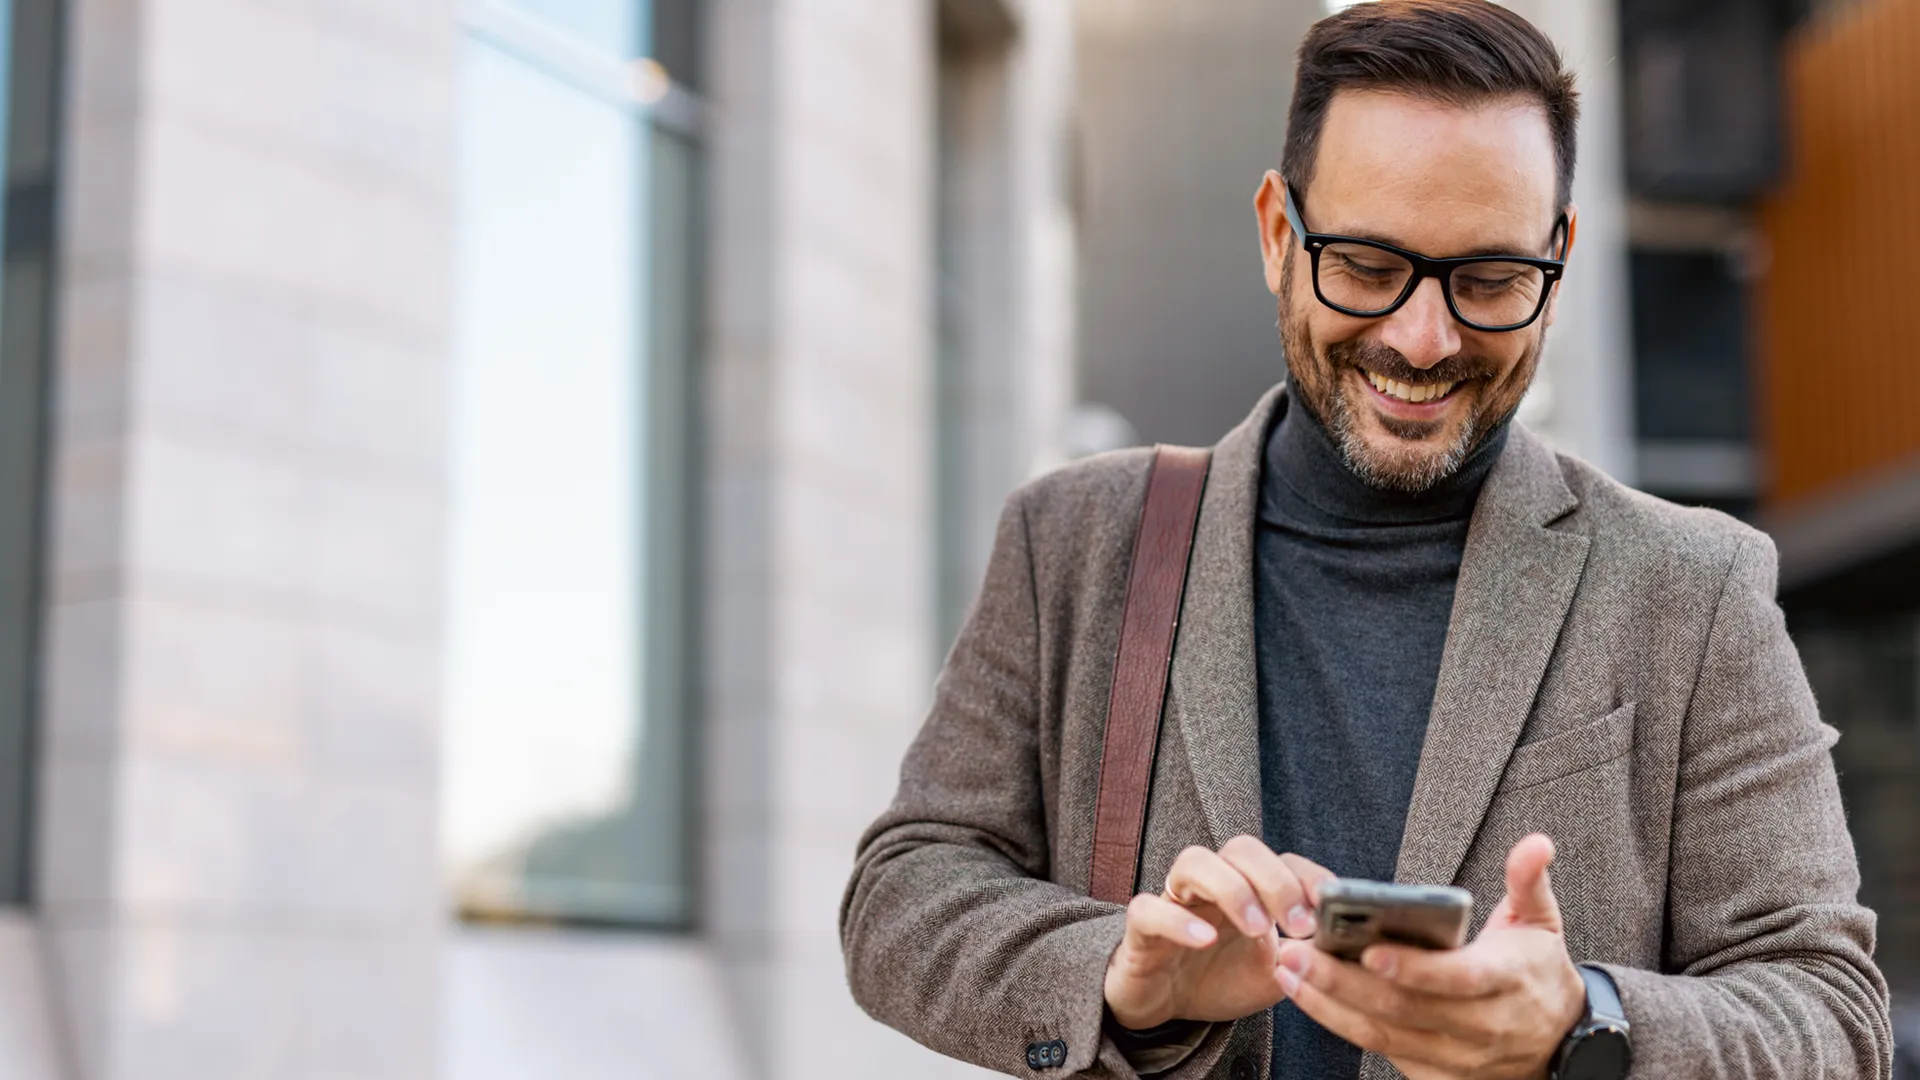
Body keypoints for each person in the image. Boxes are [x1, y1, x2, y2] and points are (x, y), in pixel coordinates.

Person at [838, 2, 1891, 1077]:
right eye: (1369, 265)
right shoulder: (1071, 543)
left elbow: (1829, 1011)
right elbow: (903, 894)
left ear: (1559, 258)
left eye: (1488, 279)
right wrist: (1121, 976)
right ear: (1276, 235)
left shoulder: (1692, 587)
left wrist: (1587, 1023)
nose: (1422, 338)